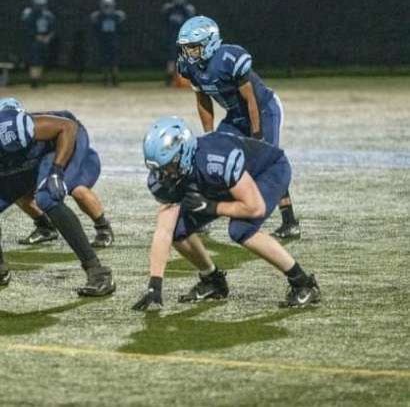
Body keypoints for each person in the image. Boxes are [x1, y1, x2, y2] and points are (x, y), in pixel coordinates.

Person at [133, 117, 320, 311]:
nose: (165, 175)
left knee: (241, 229)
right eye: (159, 169)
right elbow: (164, 231)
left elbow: (255, 207)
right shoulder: (172, 175)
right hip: (224, 186)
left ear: (185, 152)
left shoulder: (214, 160)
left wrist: (212, 207)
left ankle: (303, 283)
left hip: (266, 171)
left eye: (169, 167)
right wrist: (154, 286)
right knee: (178, 230)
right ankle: (212, 280)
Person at [177, 16, 300, 239]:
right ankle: (204, 214)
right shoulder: (189, 67)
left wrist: (258, 135)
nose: (189, 54)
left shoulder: (228, 58)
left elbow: (251, 99)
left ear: (210, 42)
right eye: (187, 48)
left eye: (194, 47)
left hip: (263, 110)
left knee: (267, 161)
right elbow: (203, 100)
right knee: (213, 156)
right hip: (235, 116)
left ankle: (289, 220)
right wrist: (210, 135)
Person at [0, 98, 115, 296]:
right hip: (27, 158)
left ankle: (98, 272)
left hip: (64, 141)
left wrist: (56, 170)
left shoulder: (39, 125)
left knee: (47, 197)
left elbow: (68, 127)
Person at [14, 110, 114, 248]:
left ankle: (103, 227)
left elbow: (75, 130)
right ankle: (45, 227)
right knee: (16, 191)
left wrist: (56, 173)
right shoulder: (12, 134)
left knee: (75, 189)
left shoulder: (45, 126)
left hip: (81, 160)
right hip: (48, 163)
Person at [162, 0, 195, 86]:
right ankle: (169, 79)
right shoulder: (169, 9)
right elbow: (164, 21)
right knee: (172, 59)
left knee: (188, 58)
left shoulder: (188, 9)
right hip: (173, 37)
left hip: (185, 38)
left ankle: (190, 78)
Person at [21, 0, 56, 88]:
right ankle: (34, 81)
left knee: (42, 61)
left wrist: (48, 37)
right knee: (34, 61)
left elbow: (53, 28)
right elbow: (27, 28)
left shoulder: (48, 15)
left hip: (45, 41)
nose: (40, 7)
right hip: (33, 41)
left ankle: (38, 78)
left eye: (41, 5)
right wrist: (37, 36)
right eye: (38, 5)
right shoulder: (29, 14)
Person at [90, 0, 126, 86]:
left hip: (112, 41)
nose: (107, 8)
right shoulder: (99, 16)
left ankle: (114, 79)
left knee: (113, 62)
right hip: (105, 41)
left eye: (108, 6)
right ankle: (107, 79)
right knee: (106, 62)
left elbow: (120, 27)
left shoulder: (116, 16)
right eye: (106, 6)